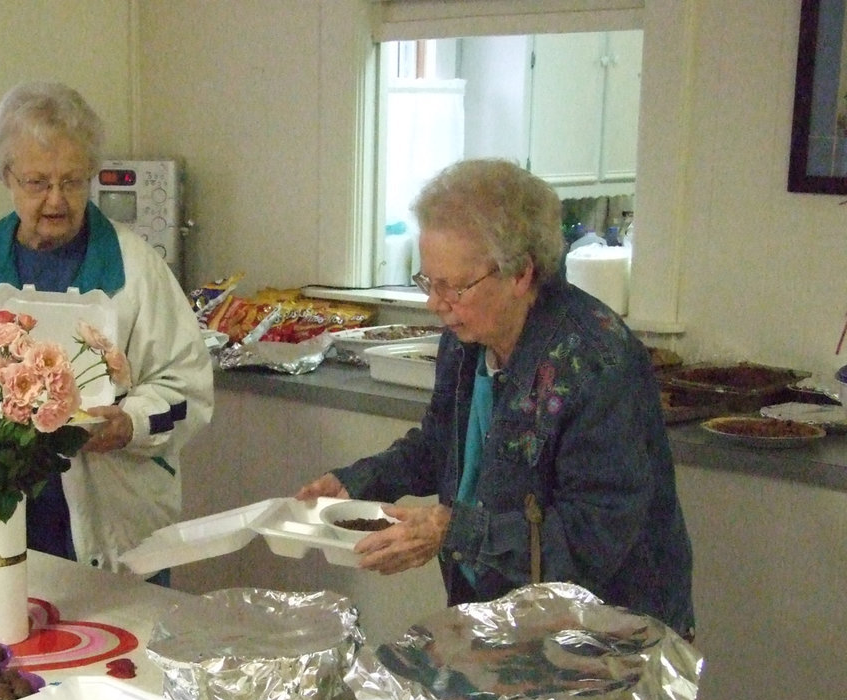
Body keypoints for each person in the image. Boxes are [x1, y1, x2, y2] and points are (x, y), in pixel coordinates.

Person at [296, 158, 694, 635]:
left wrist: (453, 531)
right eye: (428, 282)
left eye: (454, 286)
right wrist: (358, 482)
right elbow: (443, 444)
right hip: (499, 622)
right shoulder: (467, 338)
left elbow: (592, 541)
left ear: (521, 274)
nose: (435, 303)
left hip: (604, 637)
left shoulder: (595, 362)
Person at [0, 81, 213, 583]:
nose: (56, 200)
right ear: (7, 177)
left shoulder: (135, 268)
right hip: (3, 511)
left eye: (72, 182)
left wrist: (130, 424)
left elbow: (188, 391)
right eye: (37, 182)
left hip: (117, 519)